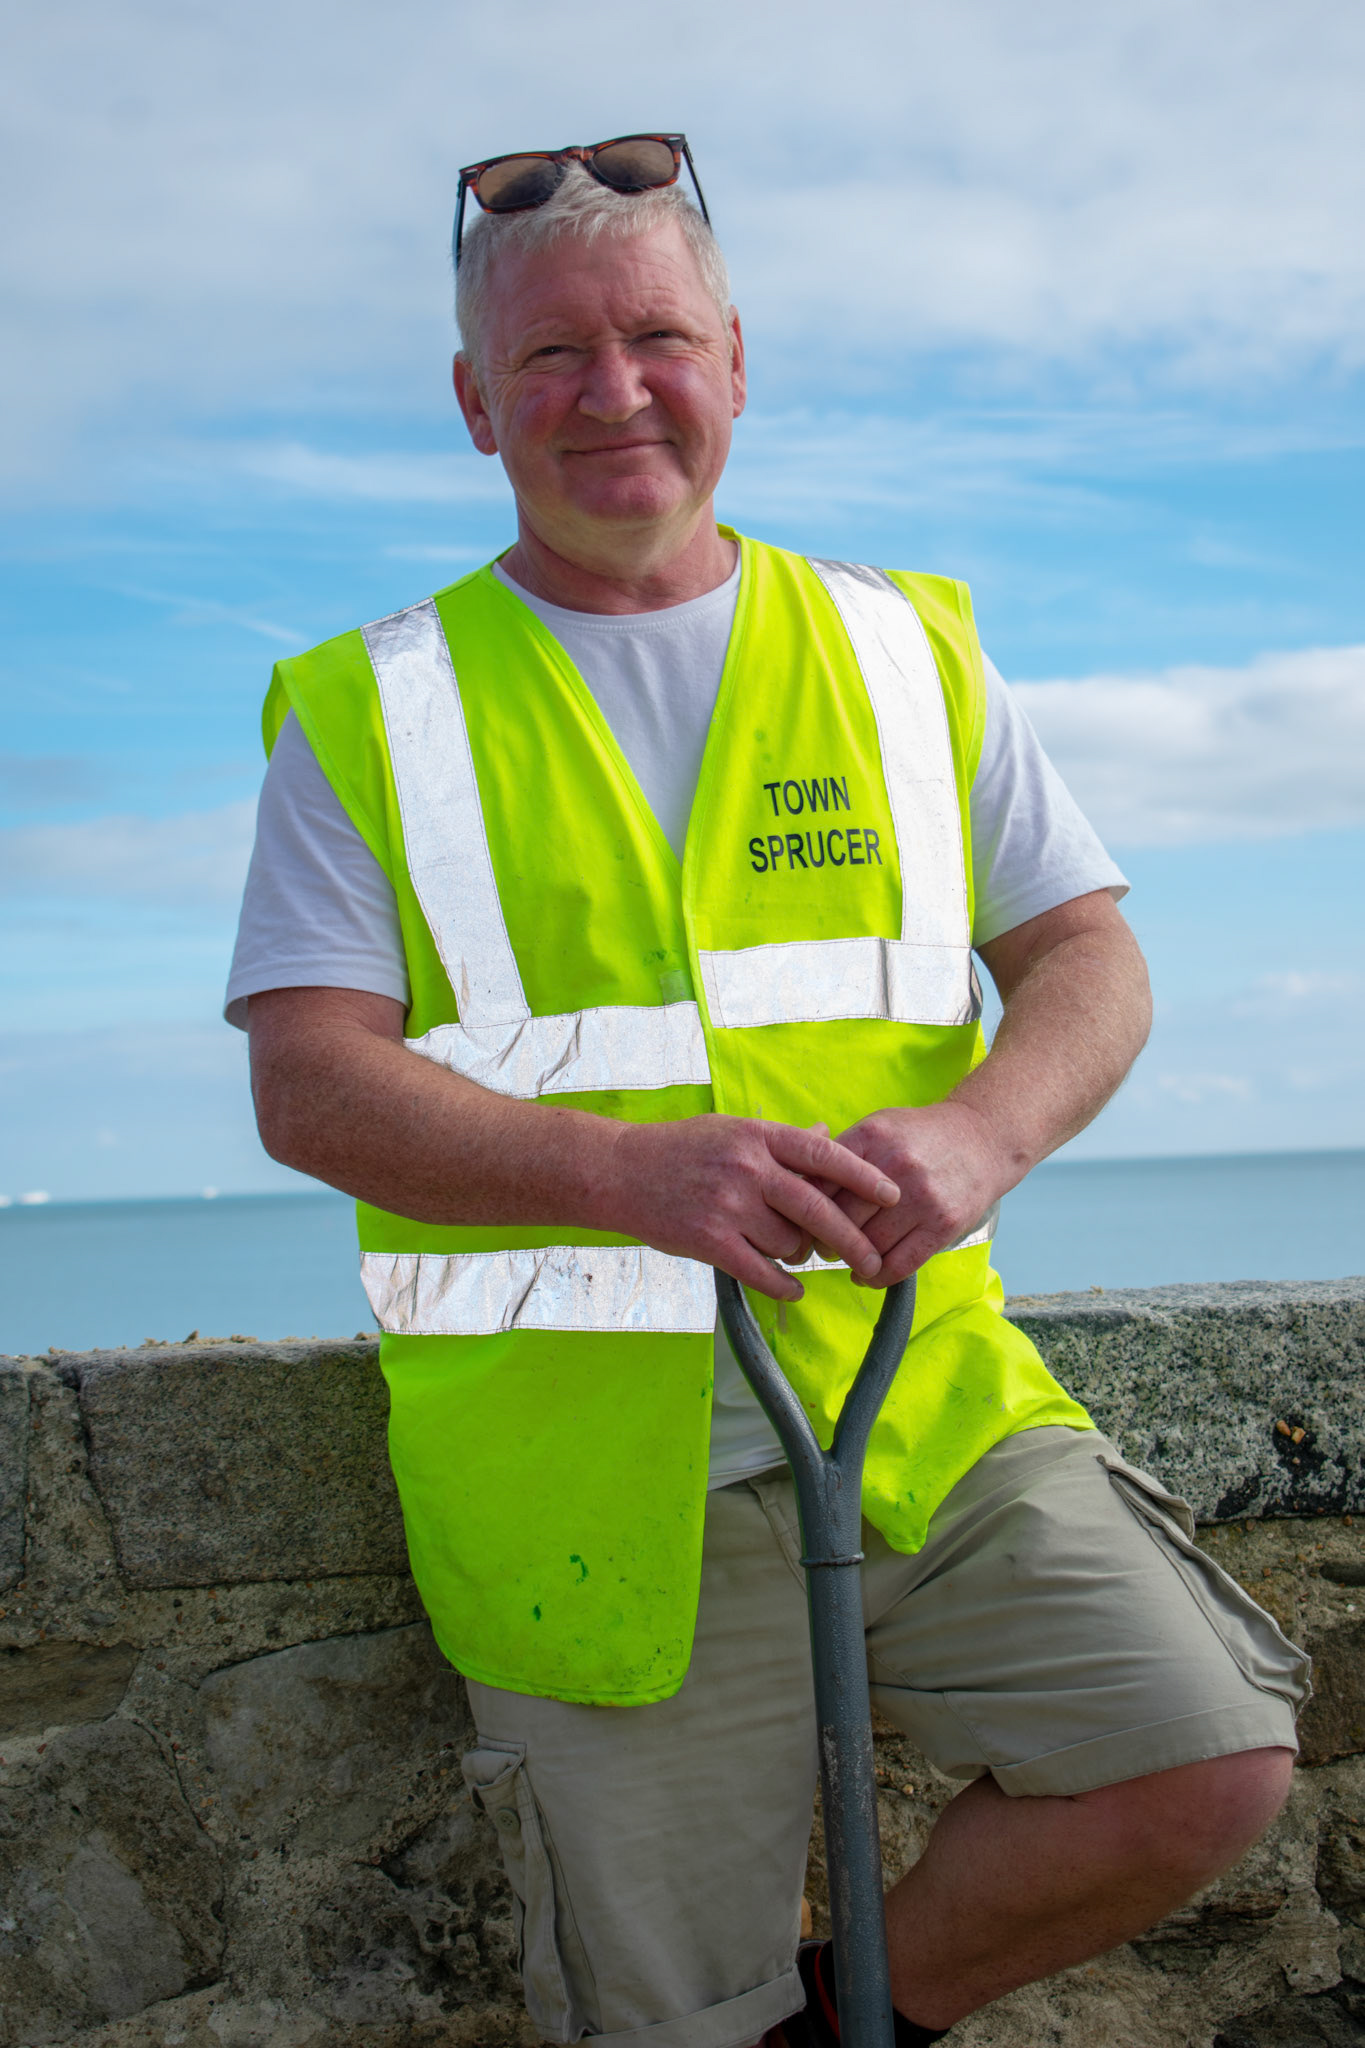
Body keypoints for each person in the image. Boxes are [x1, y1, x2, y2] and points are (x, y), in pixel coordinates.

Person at [226, 135, 1308, 2048]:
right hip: (580, 1469)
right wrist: (625, 1172)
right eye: (549, 357)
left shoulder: (903, 650)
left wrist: (981, 1132)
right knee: (657, 2012)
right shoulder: (366, 701)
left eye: (655, 337)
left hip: (927, 1399)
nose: (611, 390)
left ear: (735, 358)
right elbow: (310, 1084)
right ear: (477, 404)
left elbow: (1088, 960)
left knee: (1197, 1756)